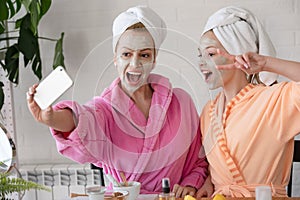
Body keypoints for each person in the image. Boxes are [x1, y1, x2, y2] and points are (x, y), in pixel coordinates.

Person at [26, 5, 208, 197]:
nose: (135, 63)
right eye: (126, 54)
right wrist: (51, 118)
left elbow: (198, 160)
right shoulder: (103, 110)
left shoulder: (181, 103)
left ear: (154, 60)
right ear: (115, 59)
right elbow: (82, 121)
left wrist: (190, 185)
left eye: (144, 55)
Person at [195, 6, 300, 197]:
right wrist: (209, 181)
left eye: (210, 54)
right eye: (200, 55)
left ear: (238, 53)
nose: (201, 62)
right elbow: (220, 165)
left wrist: (266, 63)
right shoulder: (208, 112)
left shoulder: (274, 101)